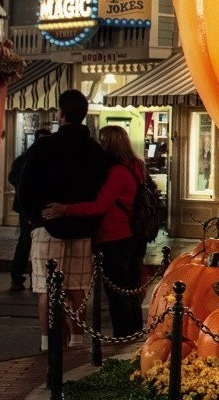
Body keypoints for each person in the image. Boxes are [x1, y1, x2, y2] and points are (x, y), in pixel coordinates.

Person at [15, 91, 108, 348]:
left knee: (46, 289)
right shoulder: (94, 151)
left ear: (61, 114)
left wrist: (34, 218)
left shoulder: (44, 147)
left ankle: (47, 342)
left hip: (47, 226)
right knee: (77, 288)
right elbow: (100, 189)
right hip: (82, 227)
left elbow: (24, 187)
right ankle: (77, 339)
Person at [44, 126, 147, 336]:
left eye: (101, 141)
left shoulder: (117, 172)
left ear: (108, 144)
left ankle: (123, 335)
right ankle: (134, 333)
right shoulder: (136, 166)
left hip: (115, 237)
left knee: (117, 292)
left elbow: (100, 205)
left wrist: (66, 209)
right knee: (130, 289)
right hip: (135, 236)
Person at [6, 126, 51, 292]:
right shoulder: (27, 160)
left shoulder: (26, 159)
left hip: (32, 207)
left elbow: (15, 179)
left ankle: (27, 277)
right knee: (27, 243)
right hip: (30, 208)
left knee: (29, 243)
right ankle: (21, 277)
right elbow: (15, 179)